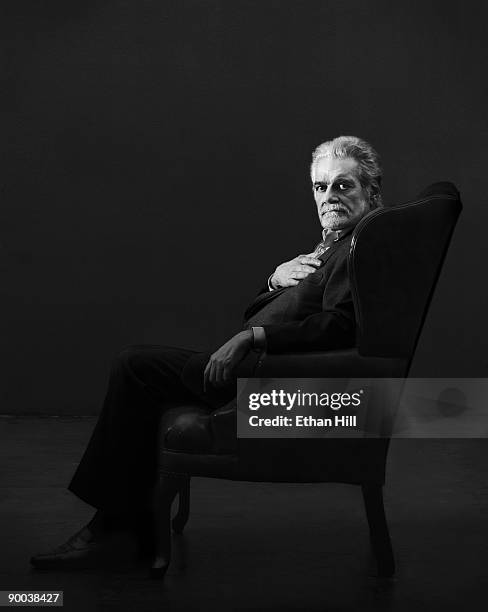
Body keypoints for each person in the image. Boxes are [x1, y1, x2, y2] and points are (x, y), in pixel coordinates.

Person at [30, 135, 383, 569]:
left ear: (371, 190)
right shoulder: (332, 245)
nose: (328, 197)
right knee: (145, 381)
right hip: (256, 366)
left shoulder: (363, 244)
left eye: (343, 185)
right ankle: (120, 525)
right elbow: (267, 308)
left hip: (271, 377)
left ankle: (113, 531)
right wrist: (275, 280)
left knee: (135, 365)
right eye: (319, 187)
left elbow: (340, 325)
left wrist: (254, 339)